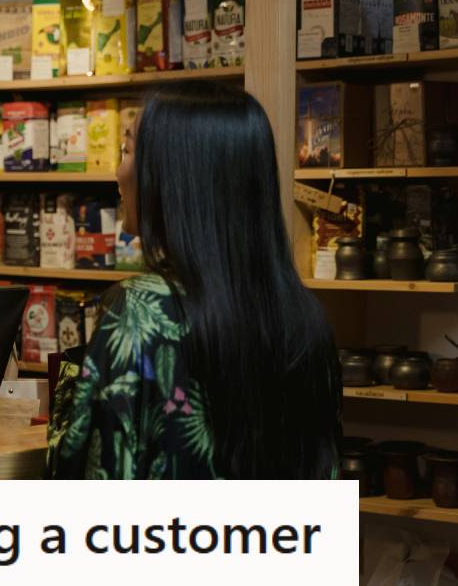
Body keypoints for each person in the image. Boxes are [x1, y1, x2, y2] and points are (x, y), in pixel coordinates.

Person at [46, 81, 341, 480]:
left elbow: (85, 469)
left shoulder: (141, 312)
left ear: (172, 177)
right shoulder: (305, 317)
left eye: (127, 151)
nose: (118, 172)